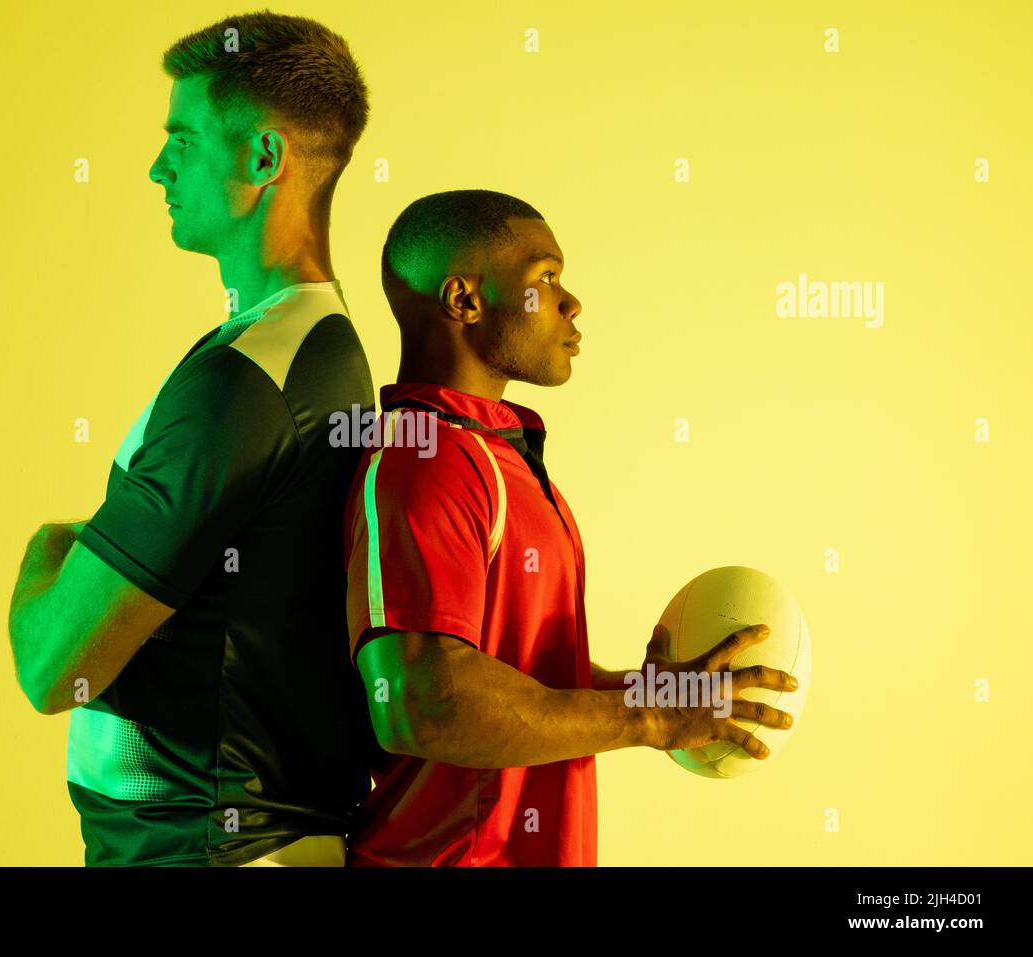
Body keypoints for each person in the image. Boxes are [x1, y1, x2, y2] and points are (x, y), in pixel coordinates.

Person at [9, 11, 375, 867]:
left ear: (260, 159)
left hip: (211, 850)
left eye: (182, 136)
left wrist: (45, 549)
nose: (156, 165)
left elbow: (55, 665)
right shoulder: (299, 351)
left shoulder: (245, 382)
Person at [342, 189, 797, 865]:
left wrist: (649, 693)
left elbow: (511, 671)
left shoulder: (498, 458)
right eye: (545, 278)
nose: (571, 302)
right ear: (465, 301)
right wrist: (648, 719)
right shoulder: (424, 458)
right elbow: (422, 700)